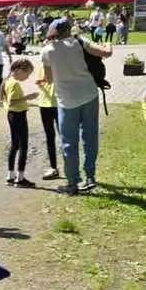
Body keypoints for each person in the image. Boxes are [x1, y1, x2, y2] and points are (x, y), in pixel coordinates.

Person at [40, 18, 112, 194]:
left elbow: (49, 79)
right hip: (89, 94)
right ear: (69, 30)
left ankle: (72, 182)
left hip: (67, 100)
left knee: (68, 142)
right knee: (90, 136)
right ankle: (90, 177)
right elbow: (105, 53)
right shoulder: (79, 42)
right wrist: (109, 44)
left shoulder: (47, 51)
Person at [0, 57, 37, 187]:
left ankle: (10, 175)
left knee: (15, 145)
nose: (27, 78)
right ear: (20, 70)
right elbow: (12, 101)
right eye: (27, 74)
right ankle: (20, 178)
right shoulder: (14, 83)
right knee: (23, 146)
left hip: (12, 115)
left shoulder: (8, 81)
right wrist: (28, 97)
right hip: (18, 115)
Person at [34, 59, 60, 180]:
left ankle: (71, 169)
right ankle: (53, 168)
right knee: (50, 137)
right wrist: (40, 80)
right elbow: (39, 81)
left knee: (65, 137)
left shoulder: (62, 64)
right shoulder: (42, 66)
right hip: (44, 103)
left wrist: (43, 80)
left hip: (60, 104)